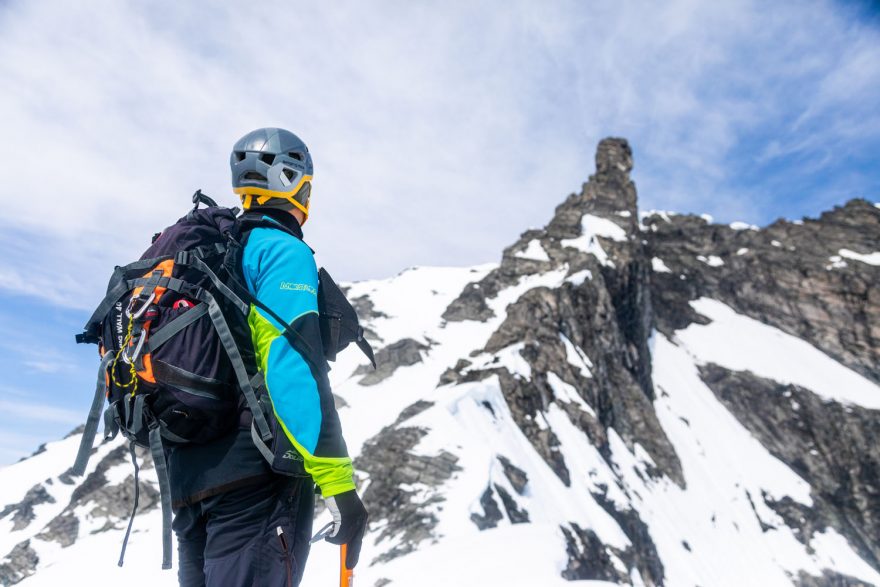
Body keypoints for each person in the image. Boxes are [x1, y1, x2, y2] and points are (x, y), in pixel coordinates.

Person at [168, 127, 368, 587]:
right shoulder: (280, 249)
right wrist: (338, 485)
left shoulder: (210, 252)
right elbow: (291, 367)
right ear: (295, 182)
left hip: (190, 482)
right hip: (255, 483)